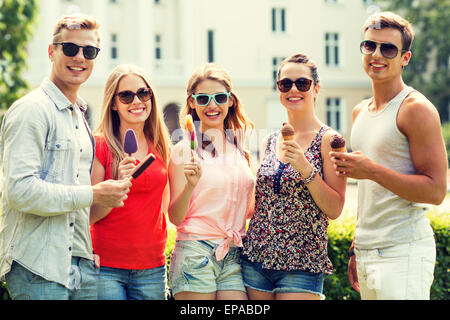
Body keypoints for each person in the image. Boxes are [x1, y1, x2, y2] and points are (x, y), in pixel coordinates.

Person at [0, 13, 132, 300]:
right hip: (38, 269)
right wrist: (92, 194)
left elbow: (81, 206)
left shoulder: (79, 115)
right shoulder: (31, 111)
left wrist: (108, 194)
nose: (80, 57)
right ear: (51, 51)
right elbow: (19, 192)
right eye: (70, 49)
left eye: (90, 51)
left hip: (80, 269)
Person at [330, 12, 447, 300]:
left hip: (403, 251)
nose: (377, 54)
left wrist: (371, 170)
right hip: (369, 250)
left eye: (388, 48)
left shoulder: (415, 109)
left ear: (405, 58)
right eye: (370, 46)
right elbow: (370, 192)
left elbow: (435, 191)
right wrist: (358, 245)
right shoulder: (360, 111)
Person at [241, 53, 346, 300]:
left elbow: (335, 208)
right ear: (278, 90)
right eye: (285, 84)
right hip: (256, 259)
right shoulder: (270, 140)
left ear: (316, 89)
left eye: (303, 83)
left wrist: (305, 167)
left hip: (302, 263)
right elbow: (259, 205)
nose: (293, 89)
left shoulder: (330, 140)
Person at [168, 63, 255, 300]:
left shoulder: (240, 151)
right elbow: (175, 217)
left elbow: (247, 210)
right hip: (196, 250)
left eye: (219, 97)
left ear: (230, 101)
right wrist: (190, 185)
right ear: (193, 103)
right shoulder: (184, 150)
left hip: (233, 254)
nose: (212, 105)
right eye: (203, 99)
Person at [90, 64, 171, 300]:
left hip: (152, 267)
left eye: (143, 93)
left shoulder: (161, 146)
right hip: (106, 268)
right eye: (126, 95)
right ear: (113, 103)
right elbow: (90, 215)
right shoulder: (100, 145)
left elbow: (165, 209)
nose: (137, 101)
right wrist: (117, 184)